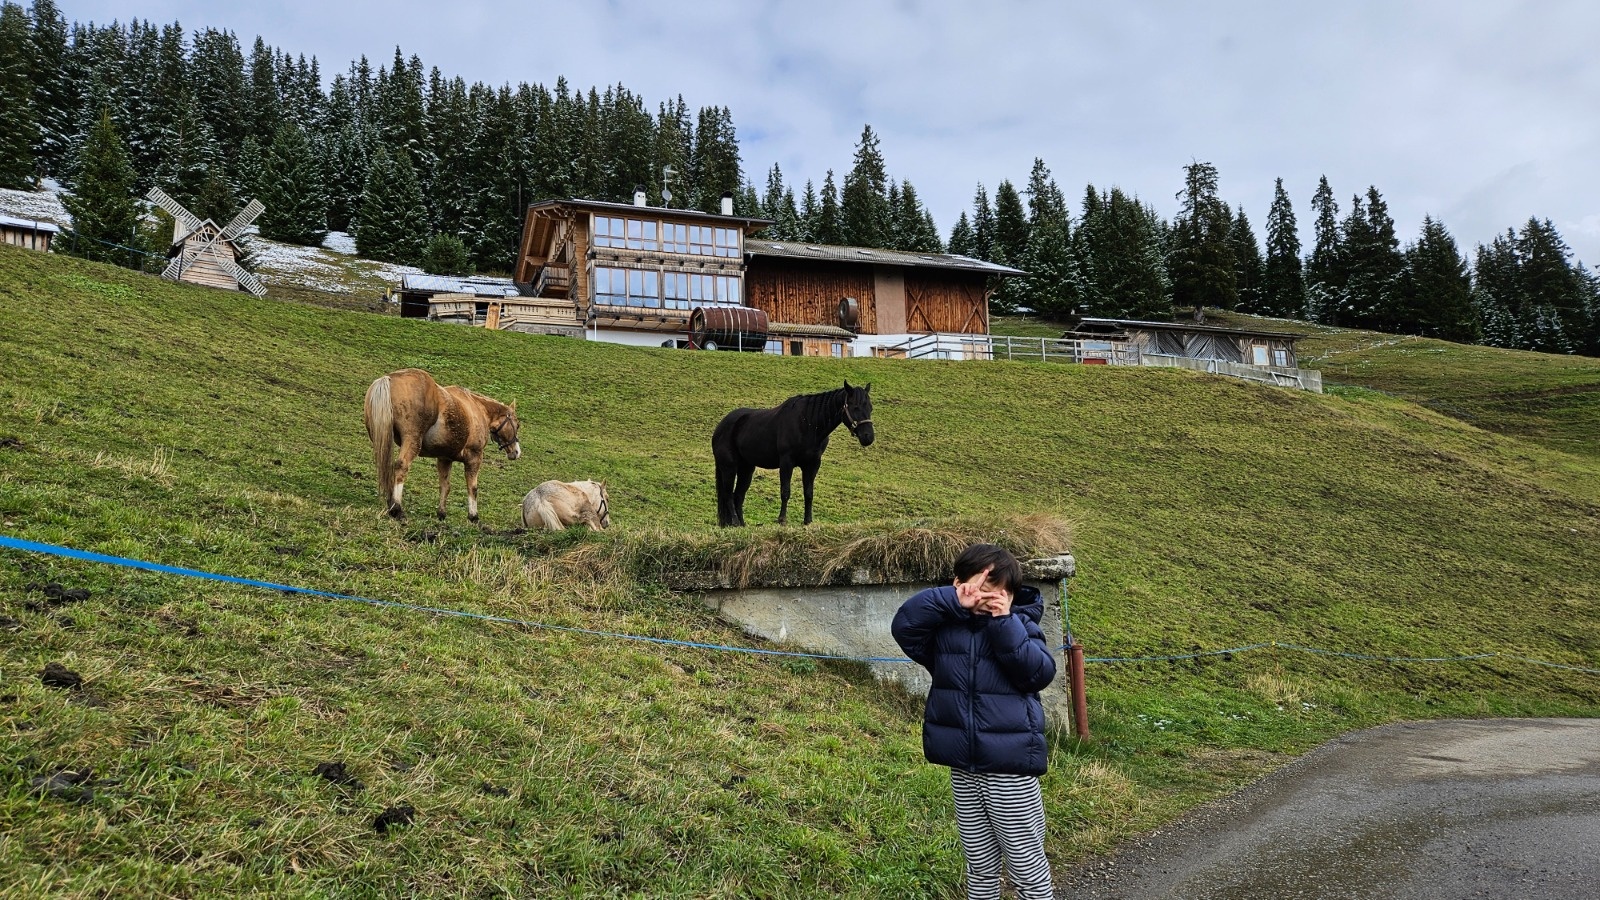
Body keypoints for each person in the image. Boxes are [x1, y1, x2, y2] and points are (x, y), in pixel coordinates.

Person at [891, 543, 1057, 900]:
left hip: (1008, 765)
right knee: (979, 865)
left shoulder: (1022, 625)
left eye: (997, 590)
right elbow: (904, 625)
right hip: (963, 765)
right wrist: (952, 601)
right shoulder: (945, 630)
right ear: (957, 585)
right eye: (977, 586)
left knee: (1025, 864)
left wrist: (1004, 623)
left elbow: (1038, 674)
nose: (987, 596)